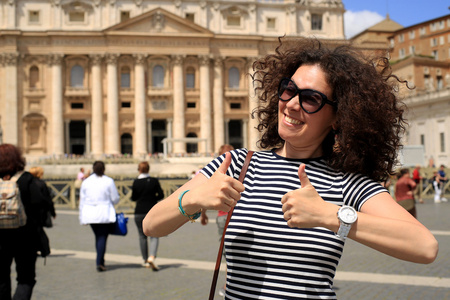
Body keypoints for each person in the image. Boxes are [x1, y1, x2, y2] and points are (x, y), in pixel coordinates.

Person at [143, 37, 438, 299]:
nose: (293, 104)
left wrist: (330, 215)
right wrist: (192, 200)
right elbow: (151, 224)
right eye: (289, 90)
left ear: (339, 117)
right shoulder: (236, 165)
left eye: (311, 99)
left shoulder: (347, 184)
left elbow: (425, 247)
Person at [0, 144, 49, 300]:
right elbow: (41, 206)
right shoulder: (27, 179)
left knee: (0, 278)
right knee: (26, 279)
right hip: (25, 236)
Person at [200, 144, 234, 297]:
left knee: (228, 251)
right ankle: (230, 282)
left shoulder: (216, 173)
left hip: (224, 215)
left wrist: (203, 213)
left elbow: (206, 193)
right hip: (235, 215)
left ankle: (229, 283)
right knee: (233, 251)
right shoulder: (243, 170)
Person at [79, 161, 119, 272]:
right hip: (103, 213)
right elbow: (115, 198)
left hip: (90, 214)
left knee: (98, 237)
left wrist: (82, 218)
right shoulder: (108, 181)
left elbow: (82, 200)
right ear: (103, 169)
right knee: (102, 237)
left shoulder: (86, 182)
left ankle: (100, 260)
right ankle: (99, 262)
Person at [131, 161, 164, 271]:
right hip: (152, 211)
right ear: (148, 169)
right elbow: (161, 195)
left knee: (142, 236)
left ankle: (145, 260)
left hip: (139, 212)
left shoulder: (136, 182)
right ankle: (152, 256)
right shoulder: (154, 181)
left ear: (139, 169)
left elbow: (133, 198)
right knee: (154, 235)